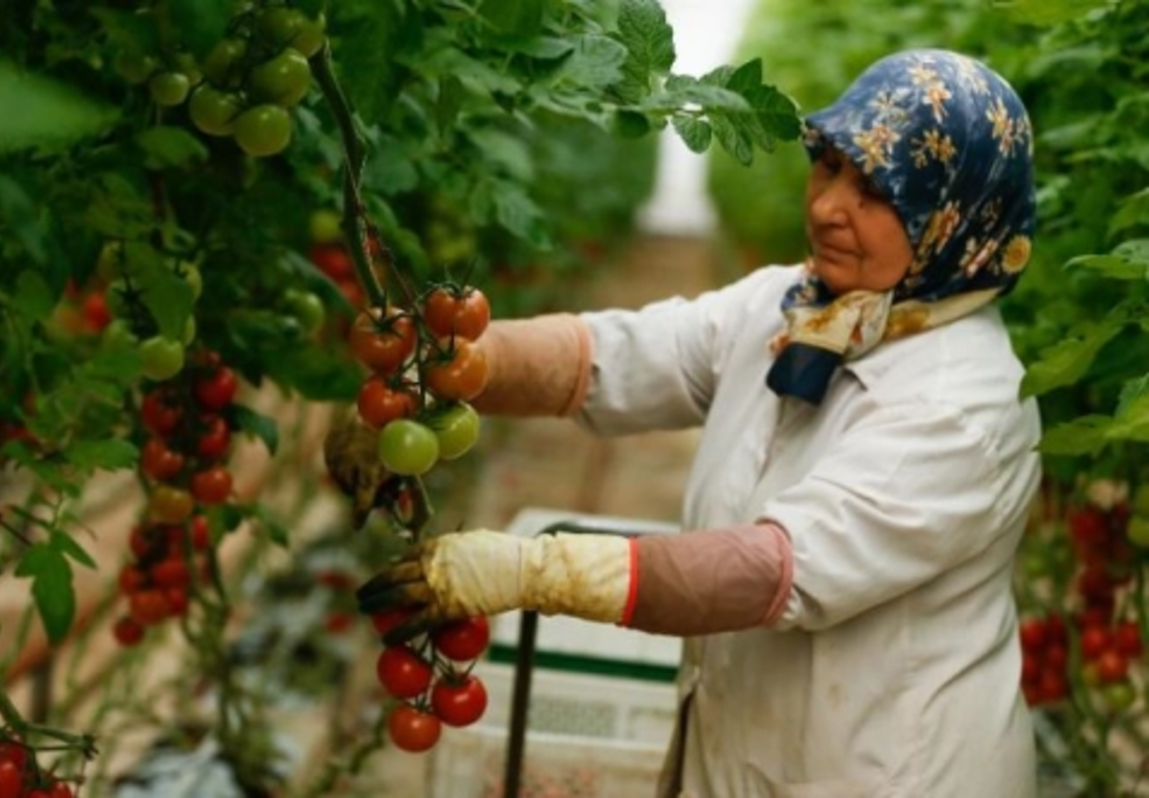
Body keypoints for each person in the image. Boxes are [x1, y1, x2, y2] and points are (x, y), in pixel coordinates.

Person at [358, 48, 1040, 797]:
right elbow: (619, 357)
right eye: (829, 166)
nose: (825, 206)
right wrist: (436, 376)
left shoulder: (963, 405)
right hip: (751, 743)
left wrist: (535, 571)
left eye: (876, 190)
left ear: (954, 219)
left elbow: (776, 570)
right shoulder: (798, 306)